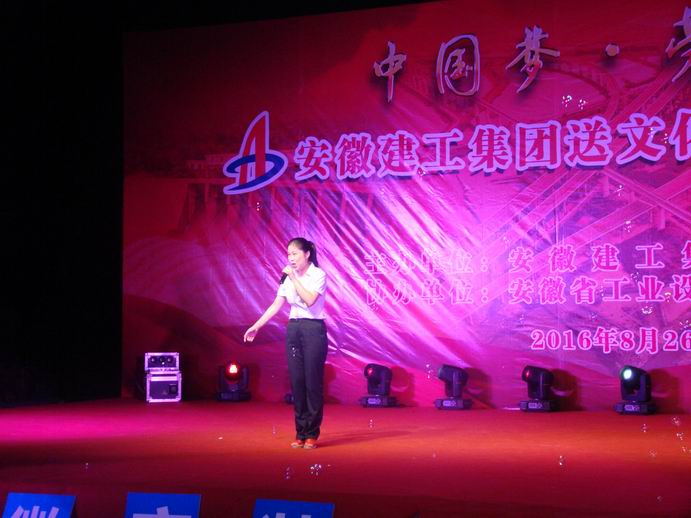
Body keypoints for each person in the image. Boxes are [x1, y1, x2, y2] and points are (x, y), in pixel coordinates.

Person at [244, 238, 328, 449]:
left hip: (313, 329)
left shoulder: (318, 275)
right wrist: (256, 326)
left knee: (312, 382)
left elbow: (310, 300)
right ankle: (300, 432)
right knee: (297, 381)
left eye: (295, 254)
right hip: (294, 329)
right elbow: (276, 305)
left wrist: (294, 277)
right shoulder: (288, 278)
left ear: (307, 254)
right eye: (288, 254)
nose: (291, 258)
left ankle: (312, 433)